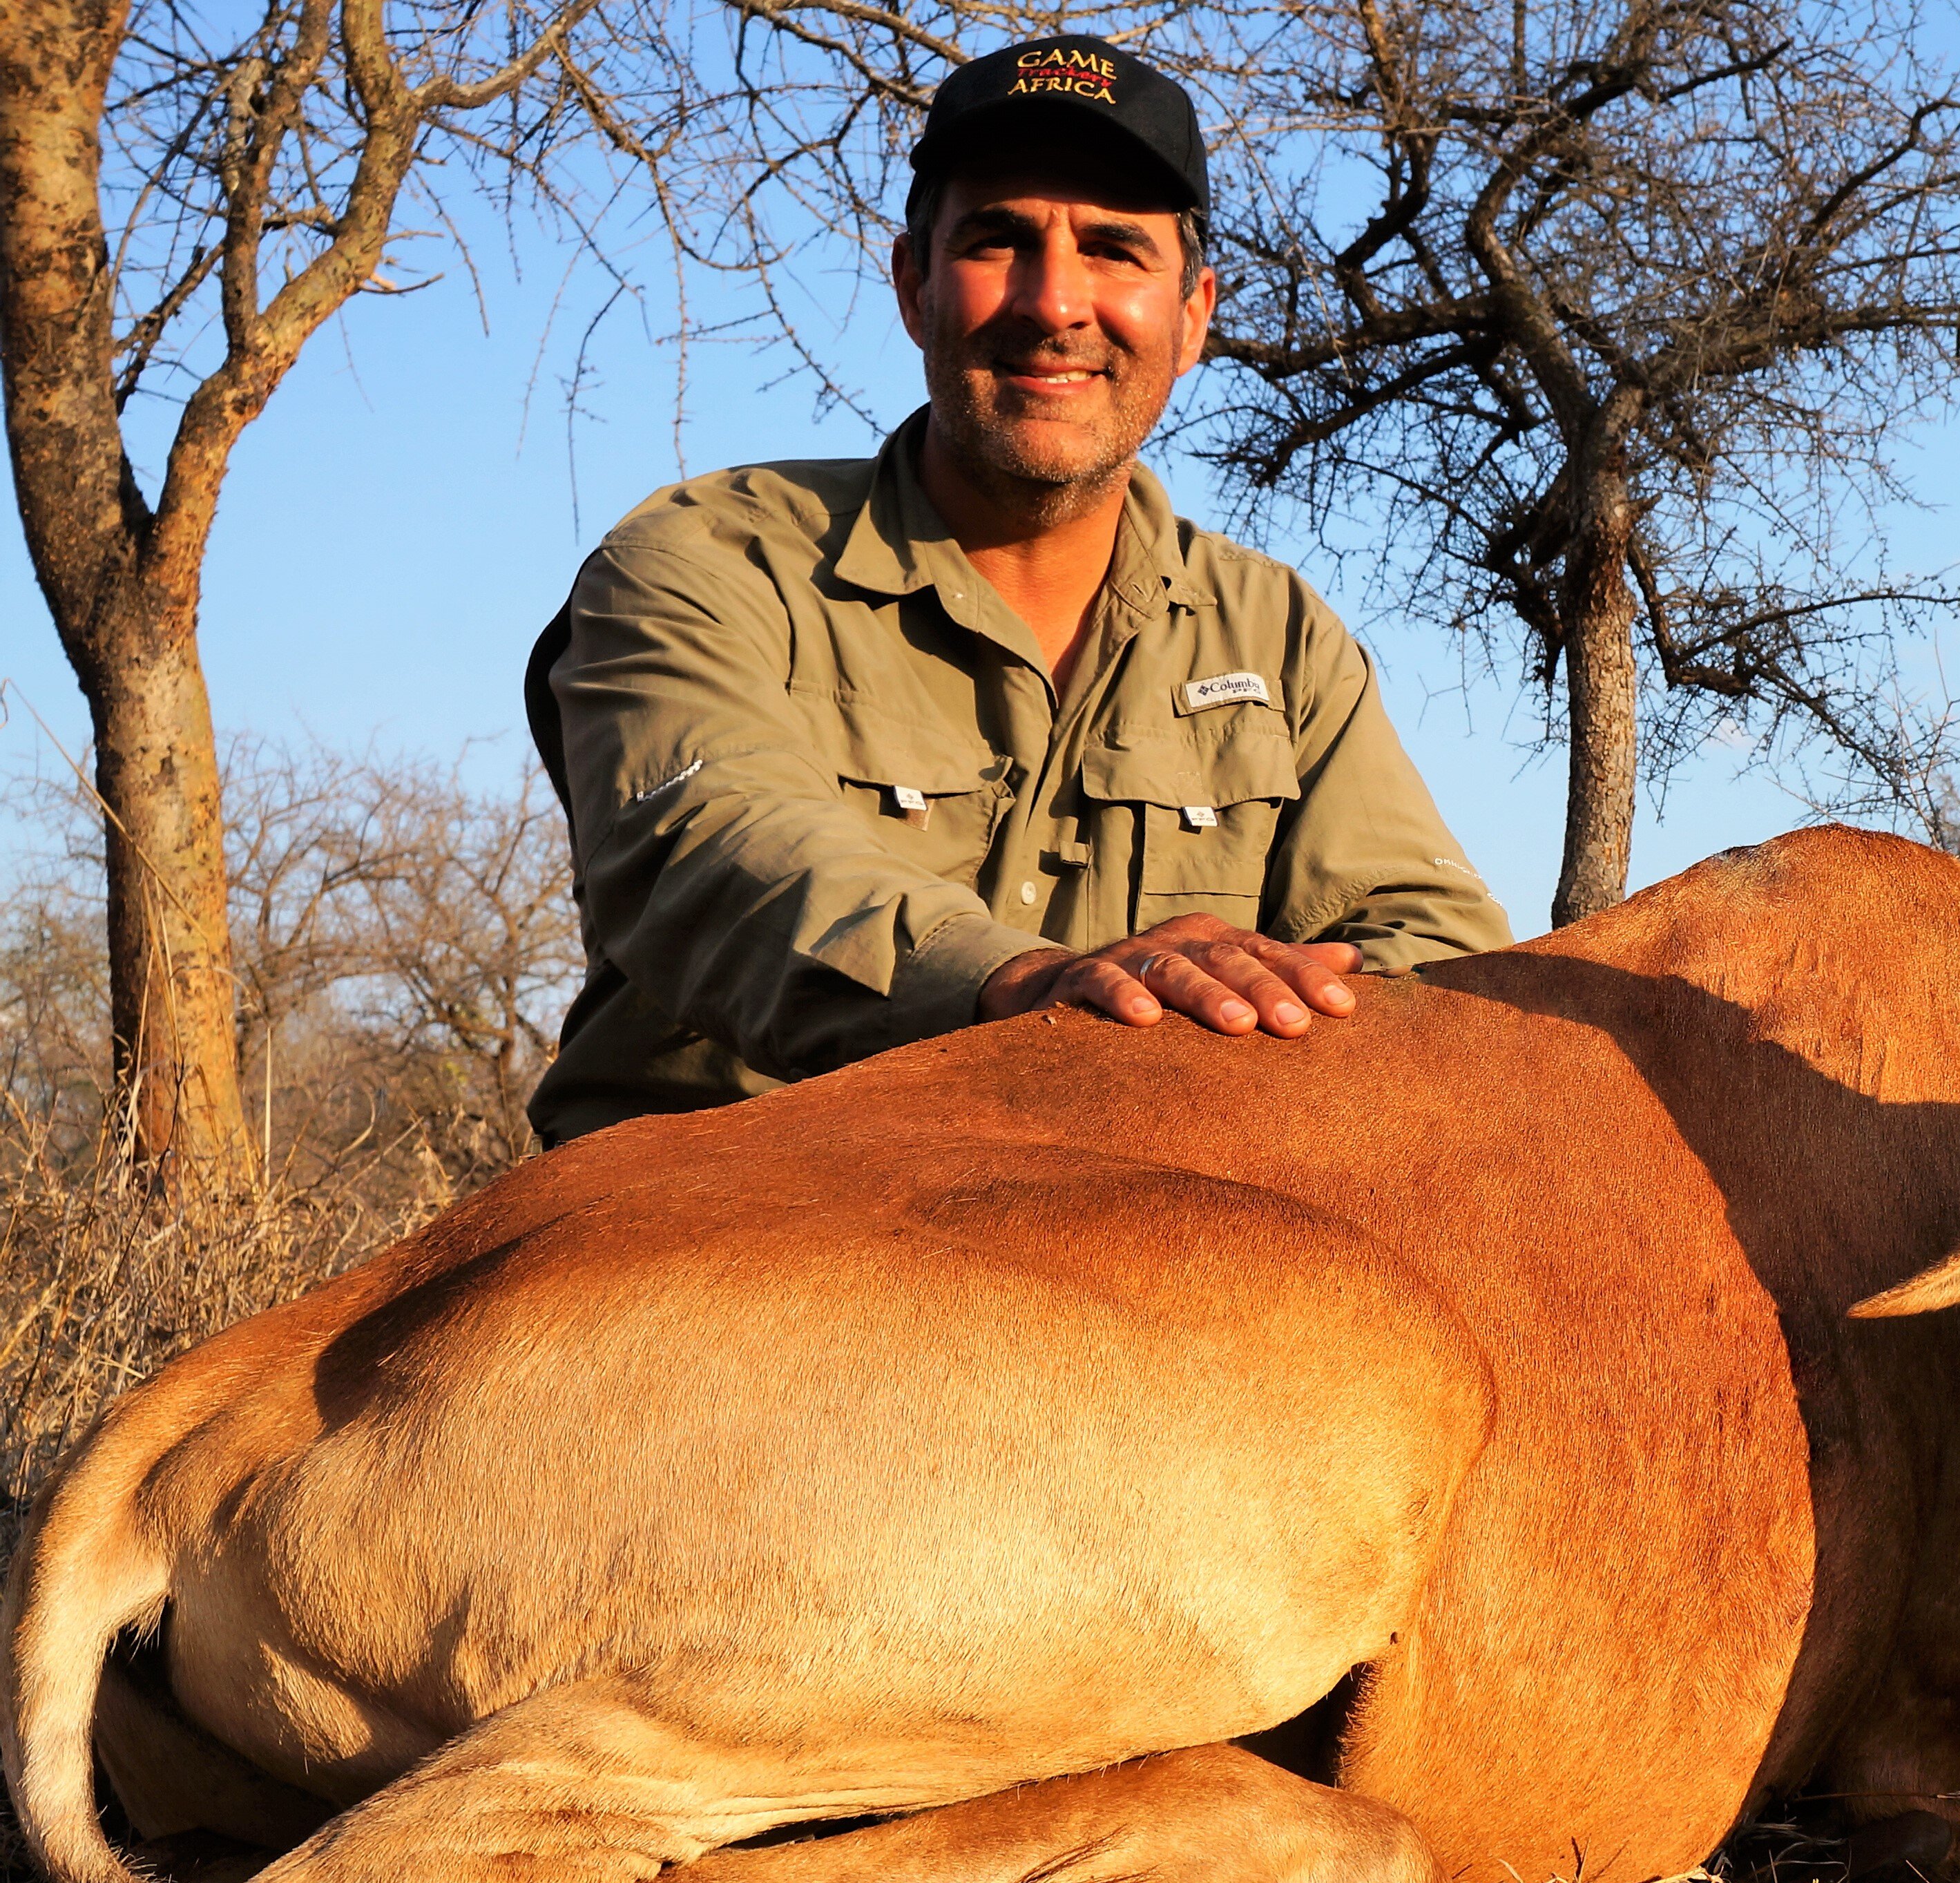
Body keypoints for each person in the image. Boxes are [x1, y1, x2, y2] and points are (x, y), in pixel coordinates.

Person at [522, 35, 1510, 1146]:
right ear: (913, 286)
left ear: (1193, 316)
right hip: (715, 1228)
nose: (1055, 305)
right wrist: (1029, 987)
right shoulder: (705, 559)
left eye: (1115, 250)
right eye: (998, 241)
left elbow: (1429, 951)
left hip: (1124, 1250)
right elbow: (709, 844)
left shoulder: (1277, 636)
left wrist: (1284, 1017)